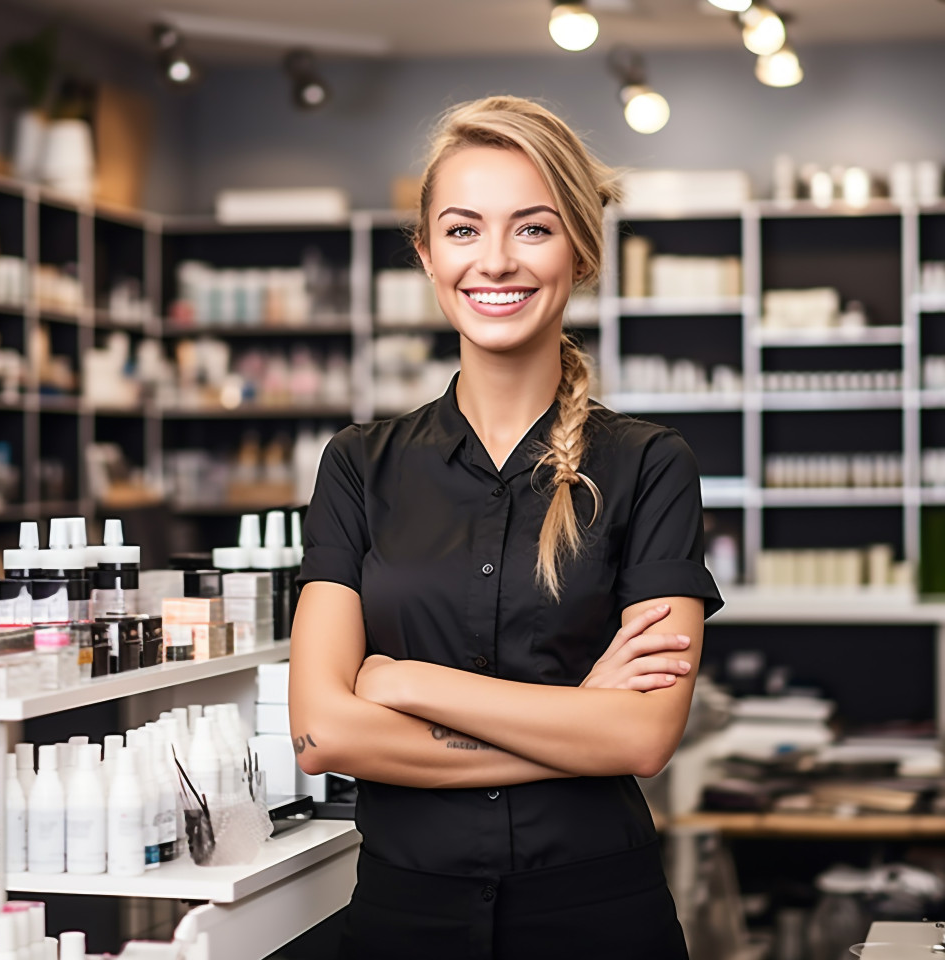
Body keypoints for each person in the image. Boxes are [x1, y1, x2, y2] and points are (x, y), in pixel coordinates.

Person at [289, 95, 723, 960]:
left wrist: (406, 680)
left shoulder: (649, 464)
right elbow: (324, 733)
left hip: (600, 922)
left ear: (581, 249)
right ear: (426, 253)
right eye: (462, 230)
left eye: (533, 228)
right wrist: (579, 726)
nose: (495, 261)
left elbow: (643, 736)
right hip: (405, 922)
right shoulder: (358, 465)